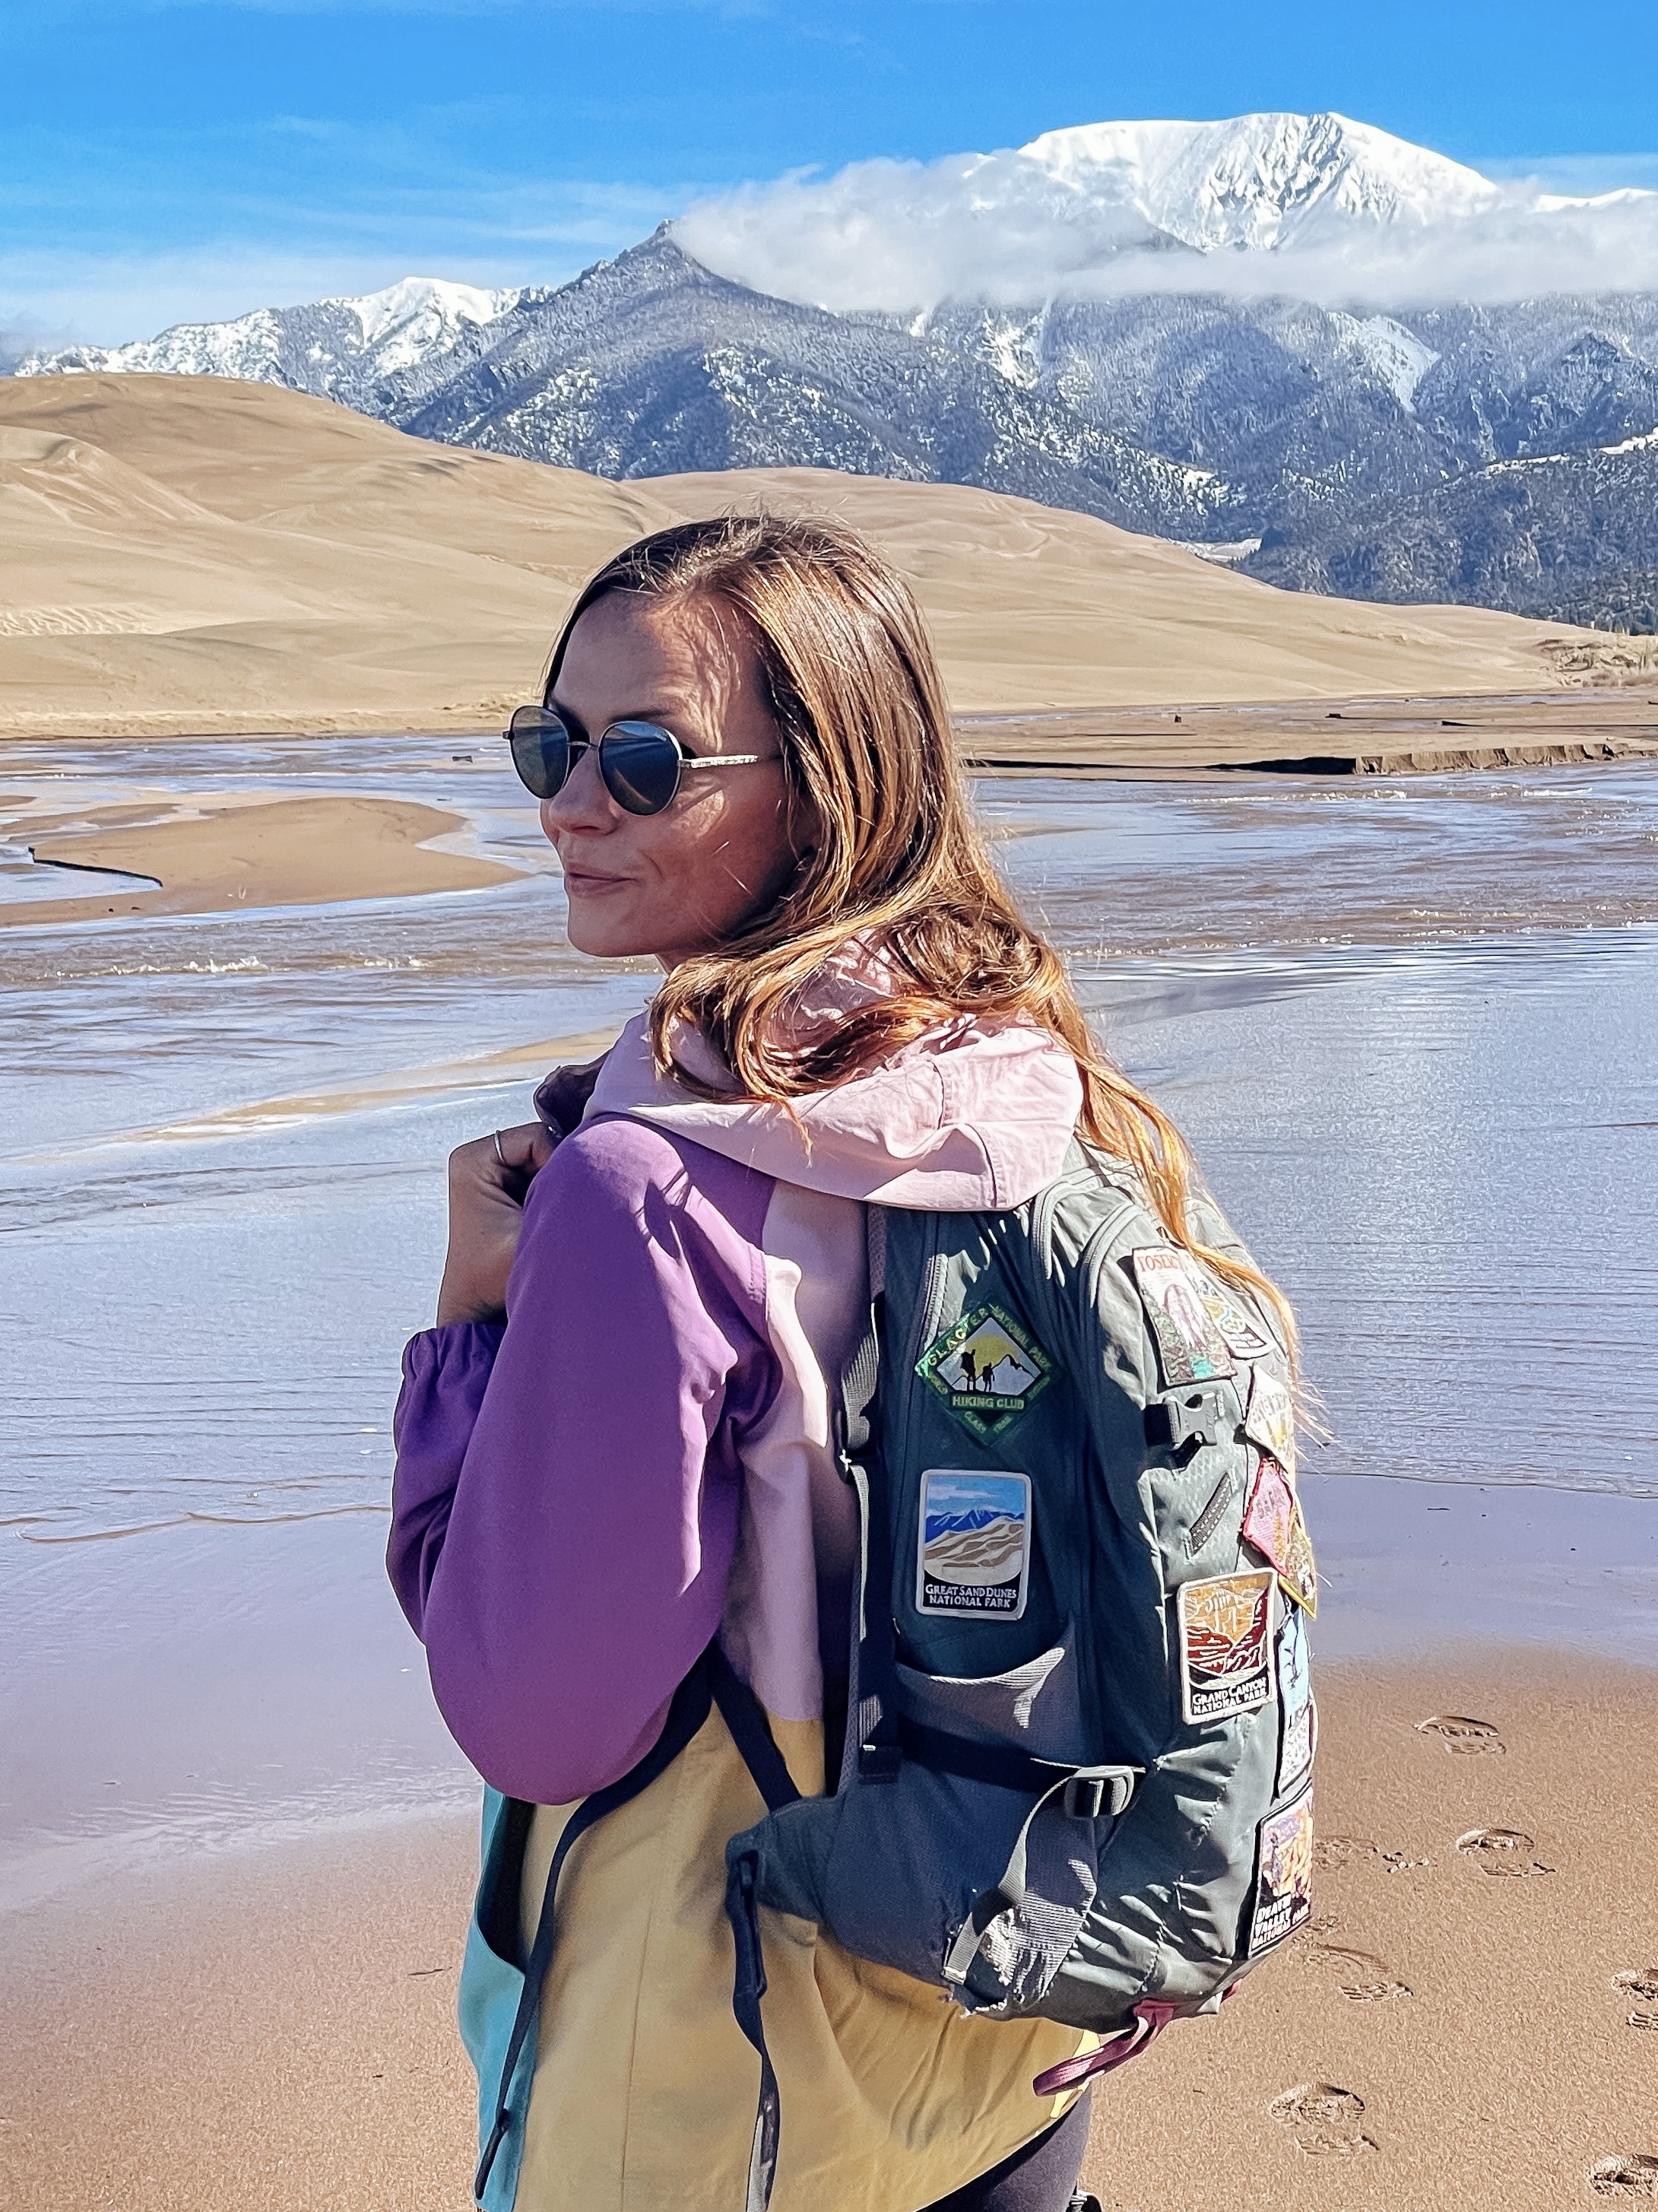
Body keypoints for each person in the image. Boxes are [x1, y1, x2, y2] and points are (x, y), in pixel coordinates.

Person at [388, 516, 1293, 2212]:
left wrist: (467, 1335)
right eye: (545, 742)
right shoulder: (1024, 1083)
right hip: (997, 1986)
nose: (566, 804)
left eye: (643, 760)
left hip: (720, 2067)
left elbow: (534, 1713)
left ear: (821, 791)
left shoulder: (641, 1187)